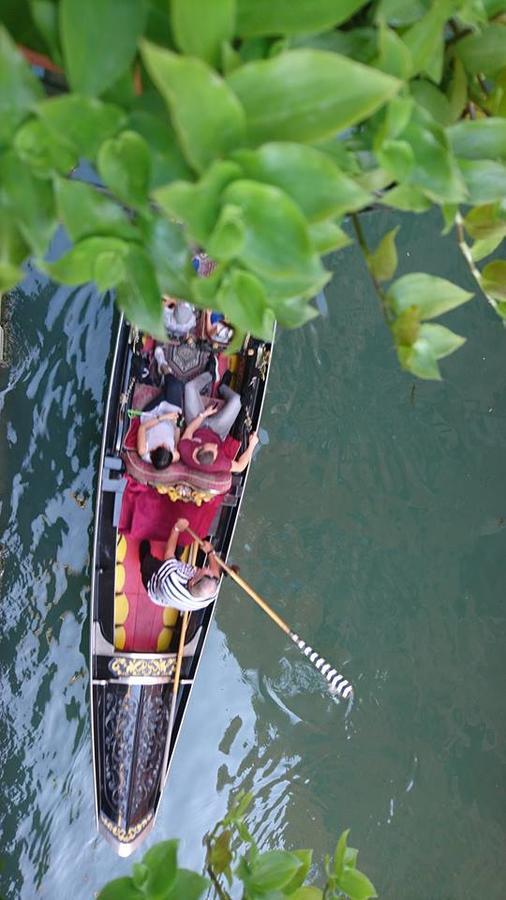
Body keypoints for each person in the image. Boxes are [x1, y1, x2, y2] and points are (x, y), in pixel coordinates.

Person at [179, 370, 259, 474]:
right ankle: (222, 387)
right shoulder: (218, 463)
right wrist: (252, 445)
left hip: (196, 426)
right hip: (217, 432)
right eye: (216, 449)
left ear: (199, 447)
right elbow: (240, 467)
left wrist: (204, 414)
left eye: (212, 446)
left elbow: (190, 430)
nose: (216, 446)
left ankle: (210, 374)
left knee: (189, 387)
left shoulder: (185, 450)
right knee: (236, 400)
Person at [139, 518, 221, 611]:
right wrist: (210, 552)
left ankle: (145, 552)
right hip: (177, 579)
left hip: (155, 582)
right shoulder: (210, 593)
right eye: (212, 576)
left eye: (205, 573)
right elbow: (216, 575)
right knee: (178, 550)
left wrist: (176, 528)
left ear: (192, 582)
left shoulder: (172, 580)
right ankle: (176, 556)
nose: (206, 568)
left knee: (147, 562)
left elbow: (168, 554)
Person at [136, 371, 184, 470]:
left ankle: (162, 366)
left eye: (162, 446)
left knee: (174, 386)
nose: (165, 444)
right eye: (168, 447)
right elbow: (176, 442)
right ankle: (164, 380)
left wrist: (164, 417)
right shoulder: (174, 456)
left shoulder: (143, 450)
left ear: (153, 450)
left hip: (152, 414)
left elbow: (143, 427)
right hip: (170, 417)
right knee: (176, 386)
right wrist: (178, 426)